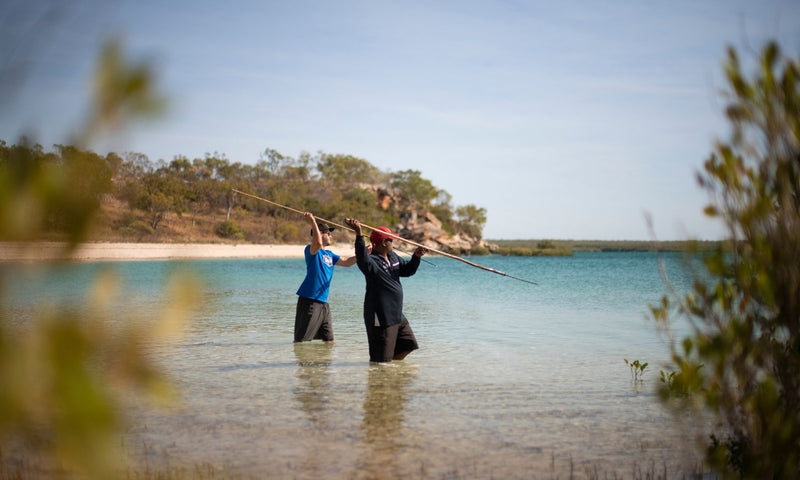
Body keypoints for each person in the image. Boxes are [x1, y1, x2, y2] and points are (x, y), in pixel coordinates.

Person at [344, 218, 428, 362]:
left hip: (397, 315)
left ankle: (391, 375)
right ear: (383, 242)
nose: (393, 243)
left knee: (408, 345)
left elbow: (406, 271)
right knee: (380, 362)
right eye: (391, 240)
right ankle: (380, 379)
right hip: (381, 317)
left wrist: (416, 257)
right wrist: (358, 234)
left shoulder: (393, 256)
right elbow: (361, 257)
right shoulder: (371, 262)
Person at [294, 212, 357, 344]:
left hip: (323, 303)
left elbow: (347, 262)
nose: (331, 236)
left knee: (329, 341)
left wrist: (363, 254)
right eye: (328, 233)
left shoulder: (329, 254)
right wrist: (313, 221)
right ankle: (302, 364)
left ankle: (324, 363)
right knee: (301, 342)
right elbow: (316, 243)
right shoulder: (310, 250)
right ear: (321, 233)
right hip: (310, 300)